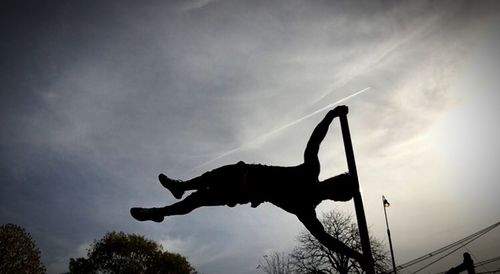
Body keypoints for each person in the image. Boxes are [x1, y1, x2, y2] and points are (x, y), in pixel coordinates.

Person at [131, 105, 367, 266]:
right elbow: (314, 141)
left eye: (339, 183)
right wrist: (331, 116)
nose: (334, 179)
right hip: (245, 171)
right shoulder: (310, 172)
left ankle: (158, 213)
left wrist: (357, 255)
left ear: (336, 195)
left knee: (196, 201)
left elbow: (327, 240)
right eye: (339, 177)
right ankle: (180, 186)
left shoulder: (306, 209)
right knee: (208, 179)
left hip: (241, 191)